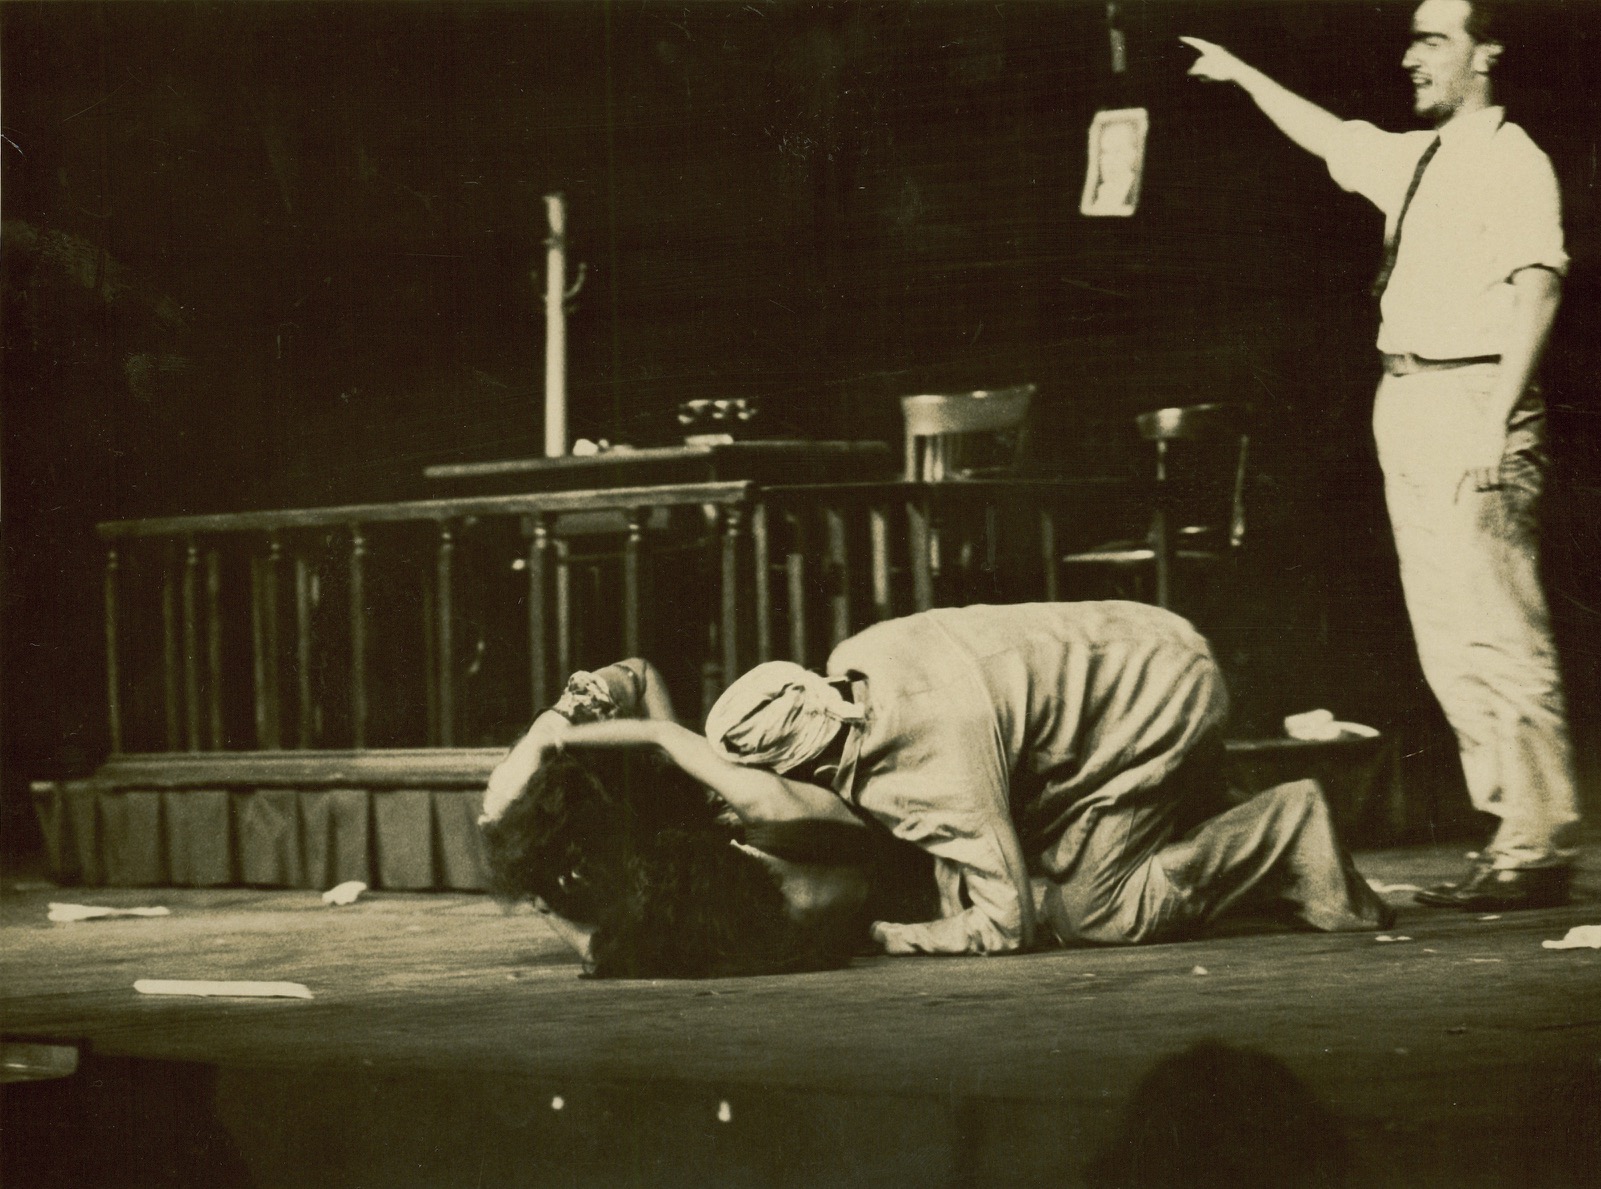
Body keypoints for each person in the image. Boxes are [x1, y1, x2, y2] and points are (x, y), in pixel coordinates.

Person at [1183, 0, 1581, 911]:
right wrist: (1241, 75)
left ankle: (1540, 837)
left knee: (1495, 624)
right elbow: (1330, 136)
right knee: (1446, 628)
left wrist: (1495, 419)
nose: (1411, 57)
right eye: (1410, 39)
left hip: (1474, 394)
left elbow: (1538, 287)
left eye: (1433, 39)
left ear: (1485, 54)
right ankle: (1513, 835)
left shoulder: (1511, 158)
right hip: (1408, 396)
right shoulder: (1420, 157)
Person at [560, 601, 1392, 957]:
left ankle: (1286, 823)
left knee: (1096, 912)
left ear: (815, 767)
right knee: (1048, 854)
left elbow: (1006, 926)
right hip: (1132, 642)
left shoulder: (937, 768)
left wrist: (894, 936)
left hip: (1159, 692)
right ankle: (1229, 836)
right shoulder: (855, 657)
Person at [479, 657, 934, 978]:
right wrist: (553, 739)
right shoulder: (772, 811)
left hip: (862, 895)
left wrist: (530, 881)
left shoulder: (704, 927)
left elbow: (598, 955)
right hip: (899, 866)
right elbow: (657, 725)